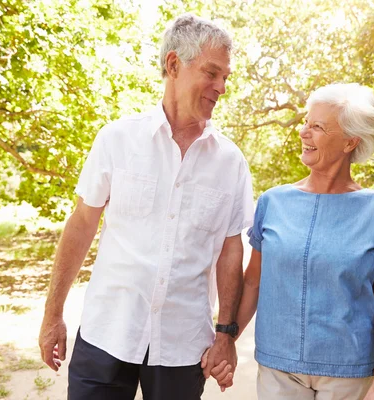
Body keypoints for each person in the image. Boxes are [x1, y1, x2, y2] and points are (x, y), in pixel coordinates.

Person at [38, 13, 254, 400]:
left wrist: (225, 335)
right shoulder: (117, 139)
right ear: (174, 64)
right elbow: (82, 225)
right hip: (107, 332)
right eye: (212, 73)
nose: (221, 86)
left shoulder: (231, 162)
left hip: (183, 346)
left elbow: (230, 250)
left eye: (226, 77)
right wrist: (53, 315)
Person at [227, 83, 374, 399]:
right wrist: (227, 340)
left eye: (317, 127)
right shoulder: (273, 203)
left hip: (348, 373)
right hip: (278, 369)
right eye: (306, 122)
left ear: (349, 142)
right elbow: (253, 283)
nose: (304, 132)